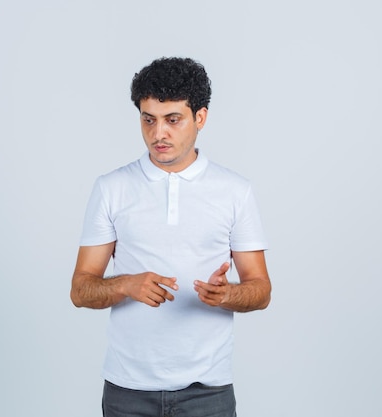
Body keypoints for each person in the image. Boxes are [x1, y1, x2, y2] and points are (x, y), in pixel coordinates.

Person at [70, 57, 271, 417]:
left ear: (200, 118)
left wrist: (228, 295)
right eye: (148, 119)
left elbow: (261, 290)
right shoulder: (111, 188)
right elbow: (81, 289)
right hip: (127, 391)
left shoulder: (235, 191)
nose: (158, 133)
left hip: (208, 392)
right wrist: (126, 285)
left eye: (172, 120)